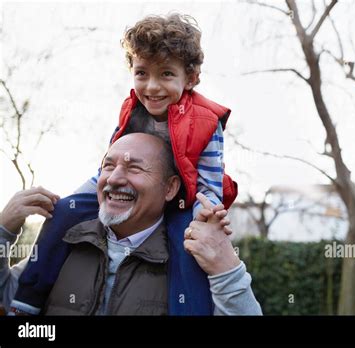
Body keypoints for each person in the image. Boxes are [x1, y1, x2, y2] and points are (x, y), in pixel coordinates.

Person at [11, 13, 238, 315]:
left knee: (190, 249)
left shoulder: (205, 123)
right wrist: (75, 200)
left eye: (166, 74)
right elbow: (108, 168)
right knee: (65, 211)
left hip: (185, 202)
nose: (152, 87)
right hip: (131, 196)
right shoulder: (132, 113)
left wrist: (205, 215)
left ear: (191, 78)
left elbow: (210, 180)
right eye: (142, 73)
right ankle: (26, 301)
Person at [0, 133, 261, 315]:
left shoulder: (193, 260)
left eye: (134, 168)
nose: (113, 179)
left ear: (170, 188)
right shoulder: (66, 240)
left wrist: (227, 267)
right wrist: (3, 230)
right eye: (107, 166)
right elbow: (8, 298)